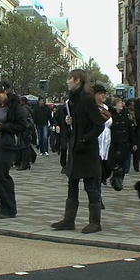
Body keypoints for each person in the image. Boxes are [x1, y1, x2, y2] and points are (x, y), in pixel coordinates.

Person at [51, 69, 105, 234]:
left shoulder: (87, 99)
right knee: (72, 184)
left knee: (91, 186)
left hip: (86, 149)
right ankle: (69, 220)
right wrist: (69, 122)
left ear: (76, 80)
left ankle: (95, 222)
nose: (67, 82)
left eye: (69, 79)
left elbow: (99, 125)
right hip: (75, 147)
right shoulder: (72, 100)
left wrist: (85, 139)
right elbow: (78, 123)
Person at [0, 80, 28, 218]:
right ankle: (2, 206)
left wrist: (2, 127)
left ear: (5, 93)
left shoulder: (15, 106)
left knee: (2, 174)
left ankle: (10, 207)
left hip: (9, 144)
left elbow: (22, 126)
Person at [107, 97, 136, 189]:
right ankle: (113, 177)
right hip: (114, 142)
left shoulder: (125, 116)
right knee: (113, 162)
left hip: (124, 142)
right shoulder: (111, 116)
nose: (121, 105)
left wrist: (133, 142)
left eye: (121, 103)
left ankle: (119, 180)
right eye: (119, 103)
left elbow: (130, 130)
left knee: (123, 163)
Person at [93, 84, 113, 186]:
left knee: (107, 159)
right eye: (101, 94)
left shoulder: (107, 107)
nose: (103, 96)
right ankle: (98, 177)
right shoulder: (93, 107)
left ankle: (104, 176)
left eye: (104, 94)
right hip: (98, 135)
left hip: (107, 136)